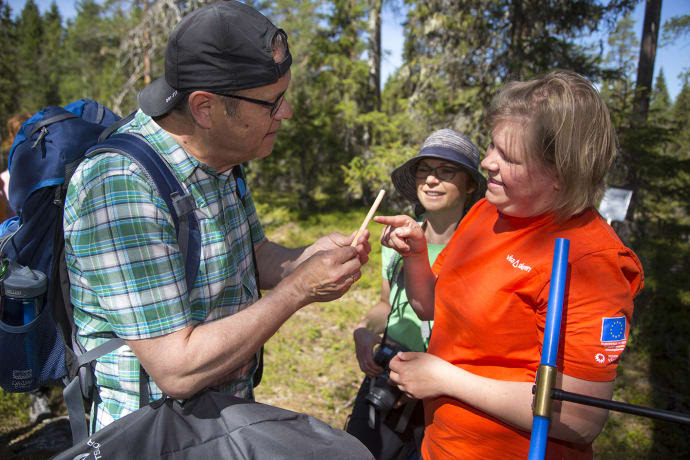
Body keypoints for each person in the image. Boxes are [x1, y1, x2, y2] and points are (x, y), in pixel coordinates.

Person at [63, 0, 370, 433]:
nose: (286, 113)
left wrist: (307, 258)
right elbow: (176, 367)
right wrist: (299, 289)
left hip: (223, 417)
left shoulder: (222, 158)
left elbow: (253, 252)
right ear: (205, 108)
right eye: (271, 102)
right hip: (151, 434)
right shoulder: (122, 186)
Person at [375, 70, 644, 459]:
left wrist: (445, 379)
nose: (486, 162)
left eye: (509, 157)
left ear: (560, 173)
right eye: (491, 145)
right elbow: (431, 306)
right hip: (441, 444)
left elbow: (582, 419)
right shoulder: (487, 210)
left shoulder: (591, 261)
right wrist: (417, 256)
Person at [346, 129, 486, 459]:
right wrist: (365, 332)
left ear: (469, 185)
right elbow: (385, 304)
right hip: (389, 378)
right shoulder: (399, 239)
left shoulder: (479, 250)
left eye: (446, 171)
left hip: (447, 394)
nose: (431, 181)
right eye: (425, 170)